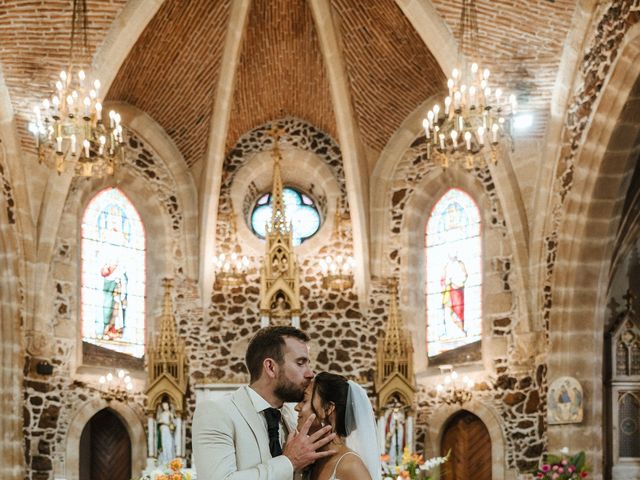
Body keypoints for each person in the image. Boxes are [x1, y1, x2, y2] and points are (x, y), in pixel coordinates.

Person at [193, 326, 336, 480]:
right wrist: (289, 462)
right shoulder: (216, 413)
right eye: (301, 363)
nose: (310, 373)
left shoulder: (292, 417)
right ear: (271, 367)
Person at [294, 372, 381, 480]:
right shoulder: (311, 462)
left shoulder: (350, 466)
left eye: (304, 400)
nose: (296, 407)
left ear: (328, 408)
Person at [157, 400, 176, 464]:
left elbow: (173, 423)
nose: (165, 407)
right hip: (163, 430)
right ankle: (165, 459)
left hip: (168, 430)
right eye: (164, 406)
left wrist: (169, 424)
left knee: (169, 444)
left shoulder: (170, 414)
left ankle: (170, 460)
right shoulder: (162, 414)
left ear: (168, 406)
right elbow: (159, 421)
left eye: (166, 405)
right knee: (164, 444)